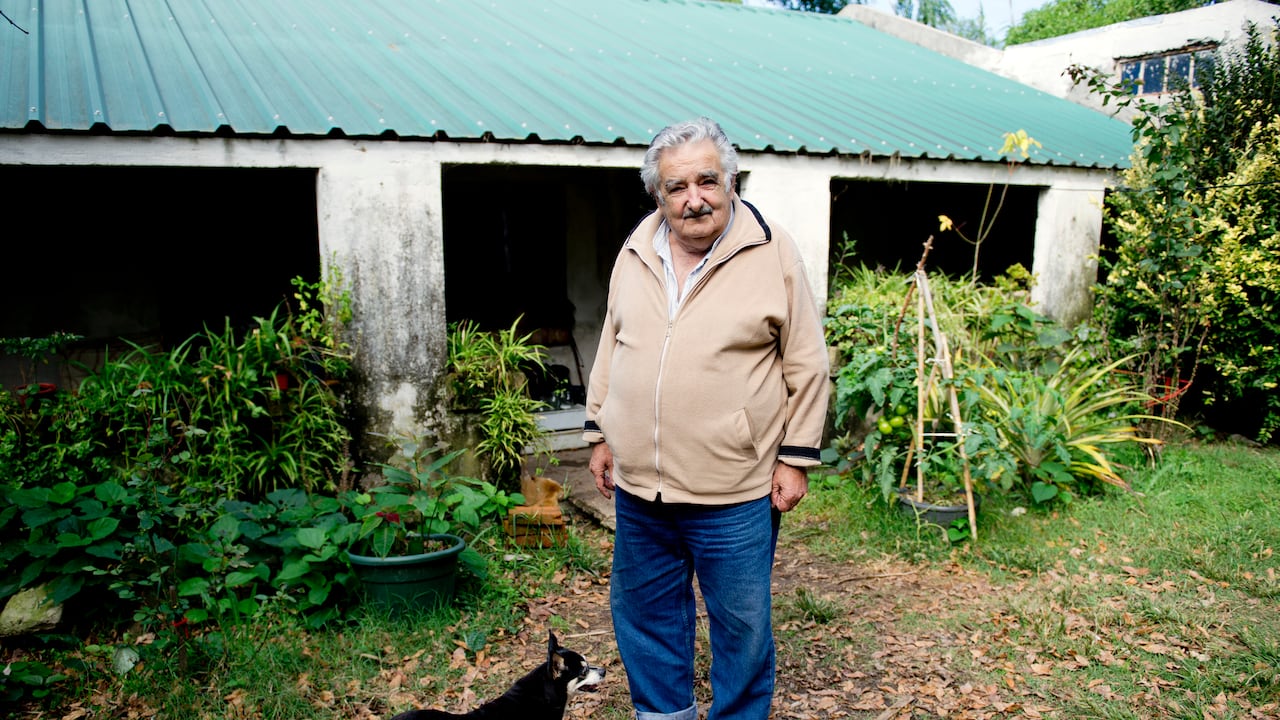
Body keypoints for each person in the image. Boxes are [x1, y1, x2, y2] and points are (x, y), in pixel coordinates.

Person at [582, 117, 830, 720]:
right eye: (676, 187)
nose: (693, 199)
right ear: (657, 195)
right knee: (646, 615)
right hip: (642, 489)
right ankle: (664, 716)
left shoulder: (772, 250)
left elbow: (807, 360)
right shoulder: (636, 247)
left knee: (740, 626)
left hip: (734, 489)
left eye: (707, 181)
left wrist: (796, 458)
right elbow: (614, 344)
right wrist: (601, 432)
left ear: (731, 180)